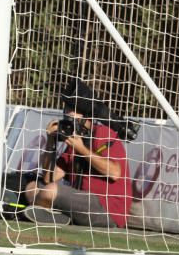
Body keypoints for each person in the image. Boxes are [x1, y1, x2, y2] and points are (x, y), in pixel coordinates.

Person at [22, 77, 132, 228]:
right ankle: (56, 216)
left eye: (74, 114)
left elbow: (114, 172)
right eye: (67, 113)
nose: (69, 116)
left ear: (87, 117)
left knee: (51, 191)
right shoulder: (73, 142)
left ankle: (52, 213)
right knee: (32, 187)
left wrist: (81, 149)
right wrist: (50, 141)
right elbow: (48, 177)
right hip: (81, 203)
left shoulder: (103, 133)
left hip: (107, 209)